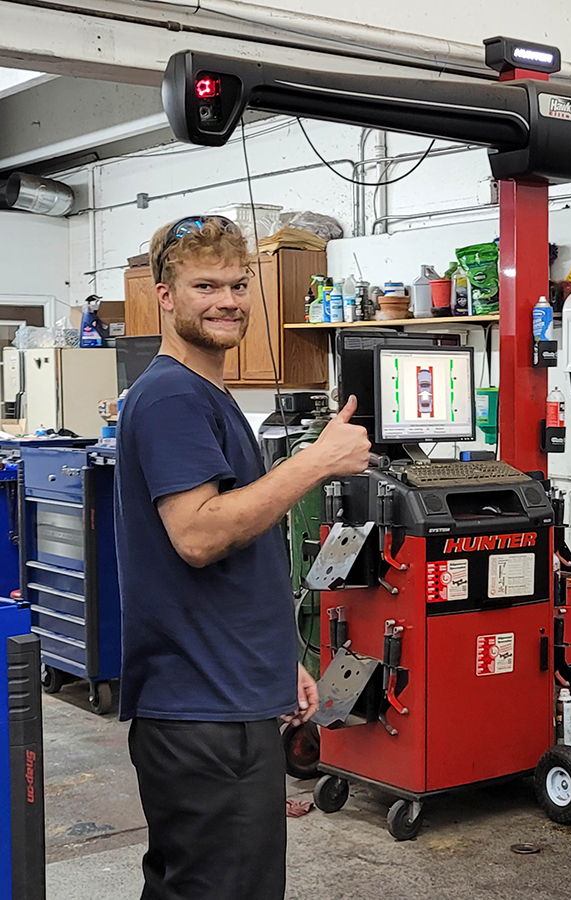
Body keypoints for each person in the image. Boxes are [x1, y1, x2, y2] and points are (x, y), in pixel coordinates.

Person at [115, 216, 371, 900]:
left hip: (222, 693)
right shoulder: (171, 395)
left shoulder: (206, 394)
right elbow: (198, 537)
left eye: (238, 284)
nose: (227, 300)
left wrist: (276, 662)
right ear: (165, 296)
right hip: (203, 713)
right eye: (205, 285)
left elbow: (231, 562)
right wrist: (313, 464)